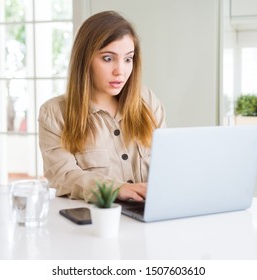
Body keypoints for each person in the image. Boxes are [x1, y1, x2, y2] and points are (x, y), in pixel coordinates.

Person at [38, 11, 166, 203]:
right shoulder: (55, 113)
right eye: (108, 58)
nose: (120, 71)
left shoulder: (147, 100)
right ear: (85, 60)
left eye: (128, 59)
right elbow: (64, 176)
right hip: (96, 222)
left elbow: (167, 163)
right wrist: (116, 188)